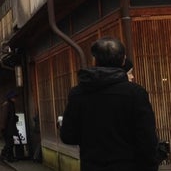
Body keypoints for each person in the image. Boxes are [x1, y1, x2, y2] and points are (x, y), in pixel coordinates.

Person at [60, 36, 159, 170]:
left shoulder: (78, 94)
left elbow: (68, 137)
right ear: (123, 59)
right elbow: (147, 140)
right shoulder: (135, 93)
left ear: (94, 60)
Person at [0, 90, 19, 162]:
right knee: (9, 143)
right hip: (7, 127)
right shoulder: (7, 105)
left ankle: (10, 157)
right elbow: (4, 117)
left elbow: (10, 116)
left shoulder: (10, 104)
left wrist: (15, 117)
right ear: (10, 97)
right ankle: (4, 155)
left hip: (9, 127)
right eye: (14, 97)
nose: (15, 99)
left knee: (10, 143)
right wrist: (3, 127)